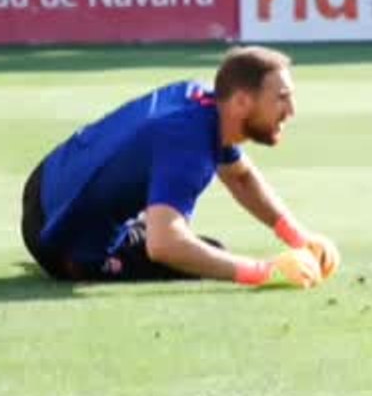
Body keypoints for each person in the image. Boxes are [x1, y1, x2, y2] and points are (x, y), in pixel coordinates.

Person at [20, 45, 340, 288]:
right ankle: (90, 252)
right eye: (282, 98)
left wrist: (299, 238)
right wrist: (263, 272)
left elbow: (241, 178)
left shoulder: (200, 99)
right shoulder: (188, 144)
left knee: (167, 222)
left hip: (44, 184)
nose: (291, 110)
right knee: (206, 250)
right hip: (64, 249)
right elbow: (165, 246)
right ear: (242, 101)